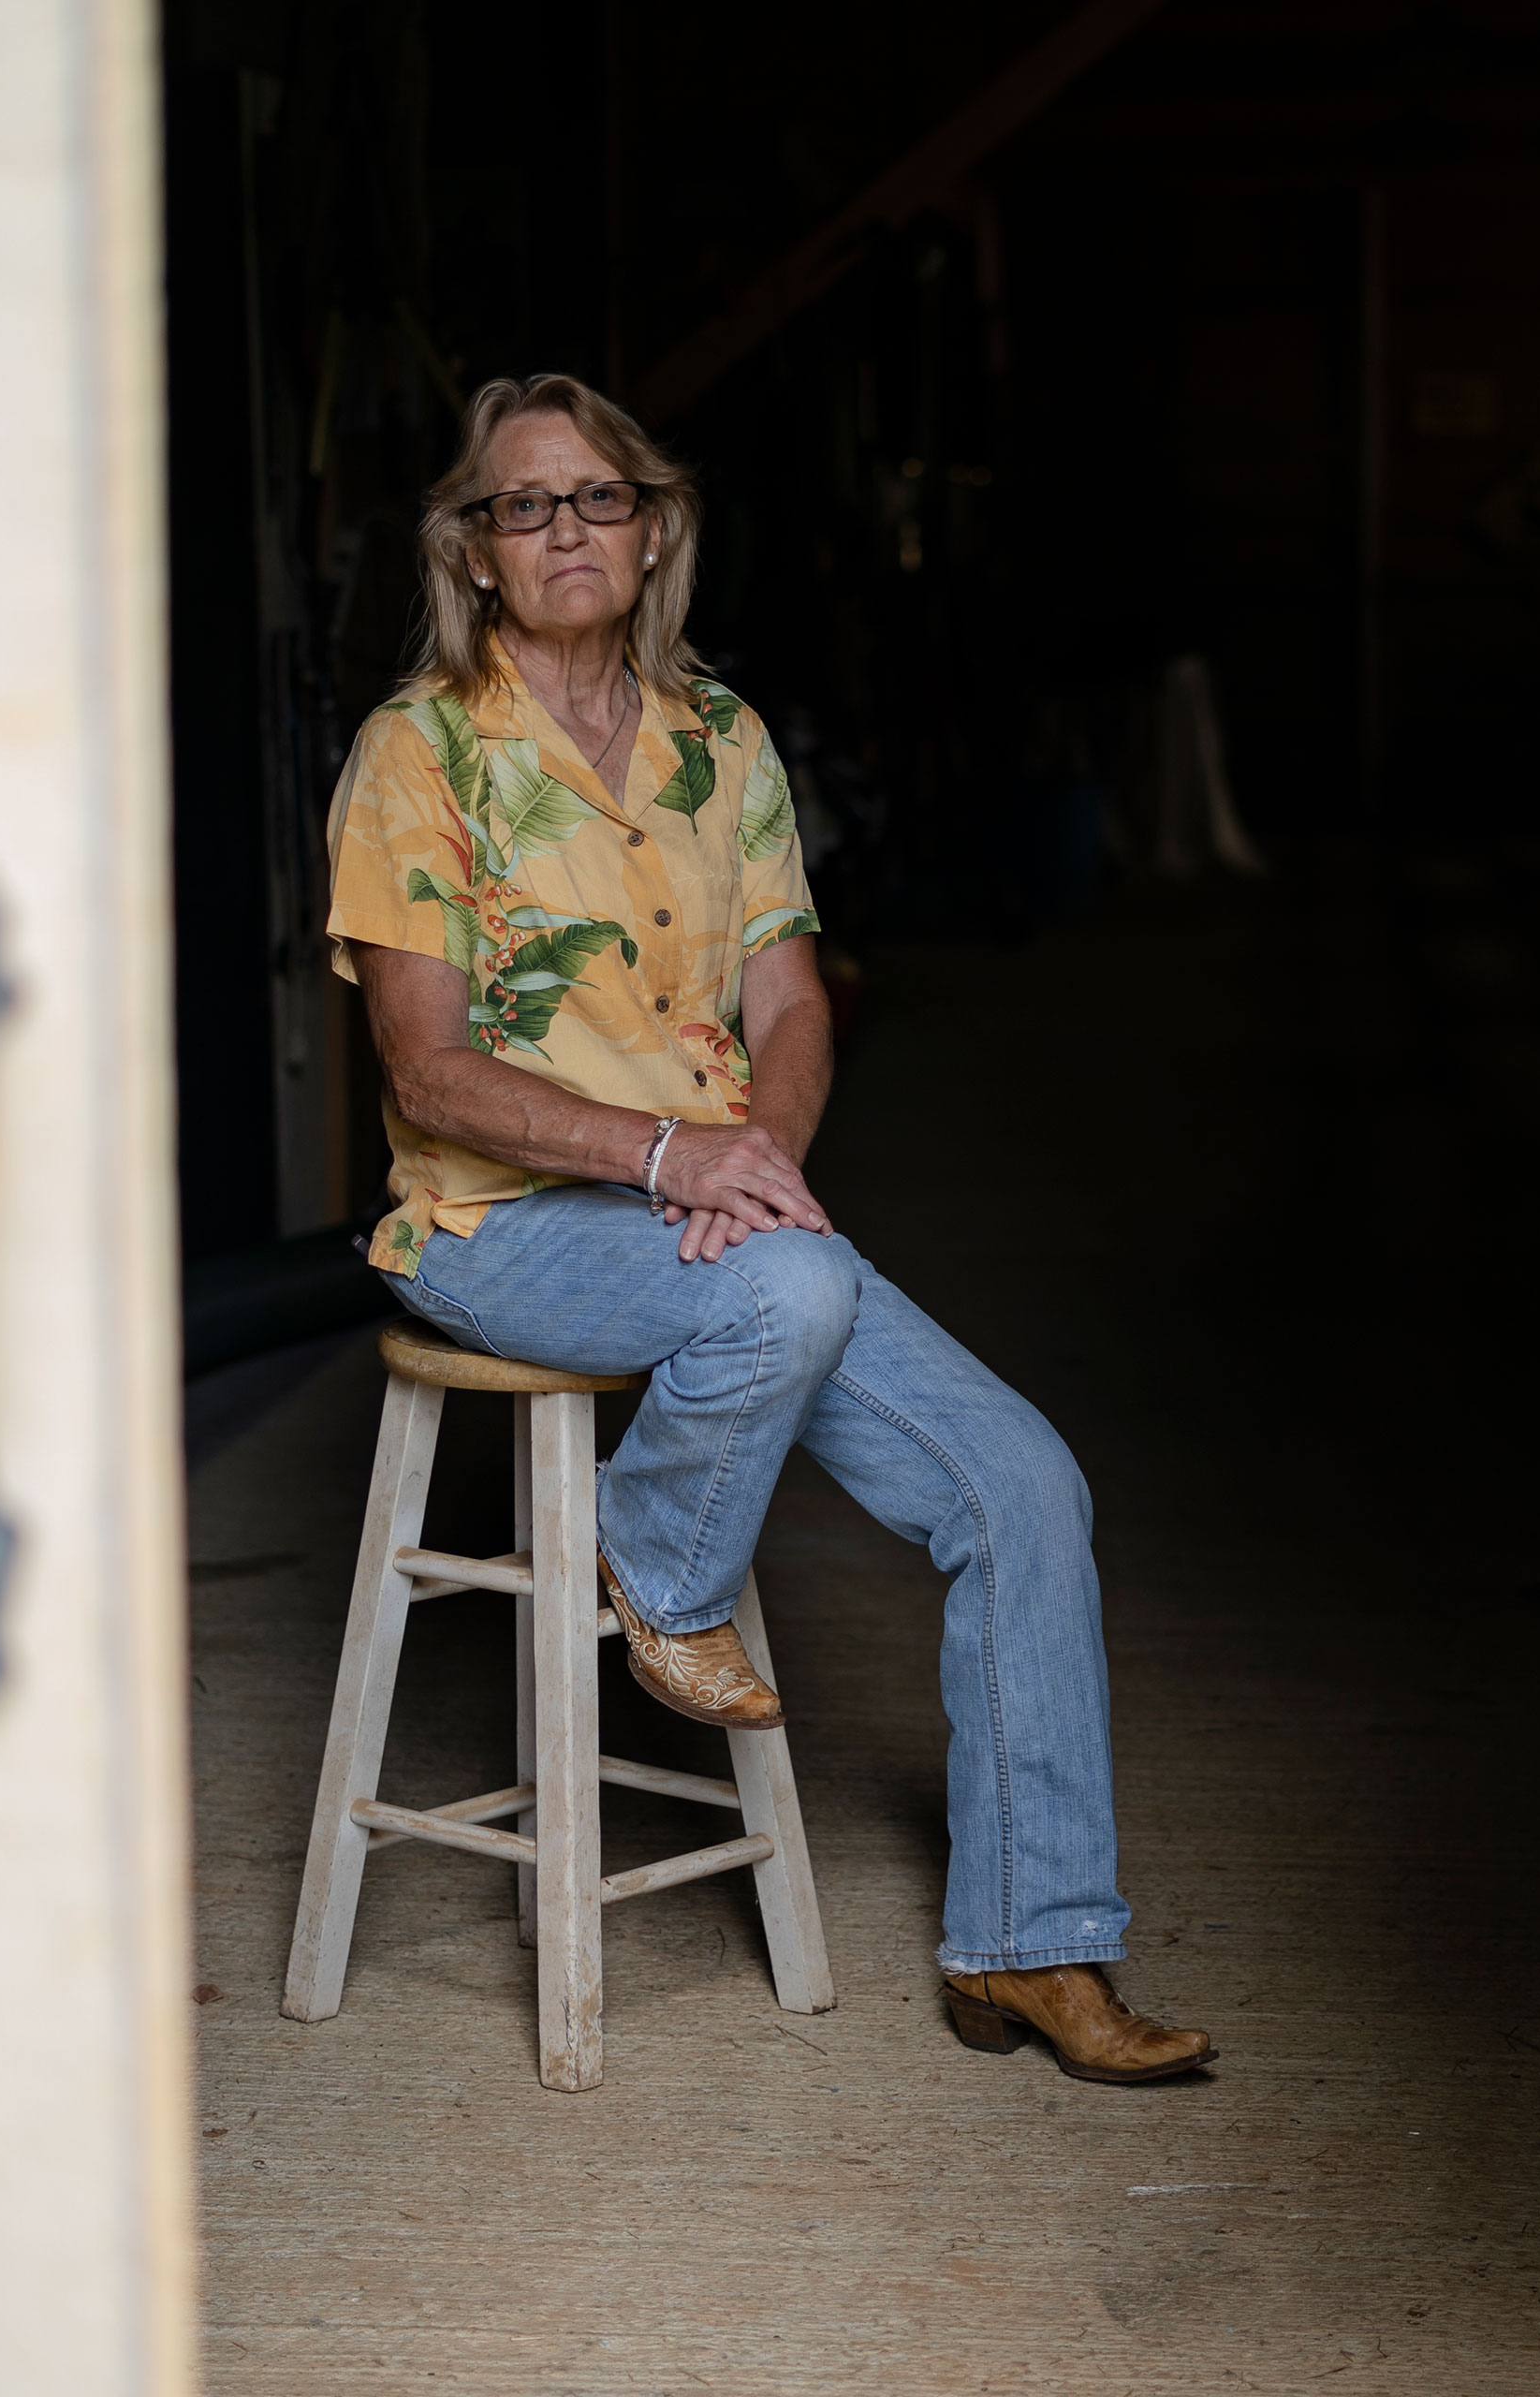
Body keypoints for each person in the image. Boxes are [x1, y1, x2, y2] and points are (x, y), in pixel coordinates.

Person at [322, 375, 1212, 2085]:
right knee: (784, 1296)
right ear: (476, 551)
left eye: (599, 498)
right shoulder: (419, 753)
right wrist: (673, 1159)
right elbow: (427, 1072)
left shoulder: (721, 741)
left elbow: (793, 1000)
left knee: (1024, 1484)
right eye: (527, 505)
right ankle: (661, 1578)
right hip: (498, 1227)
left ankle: (1033, 1949)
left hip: (727, 1229)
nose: (567, 528)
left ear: (652, 530)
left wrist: (760, 1165)